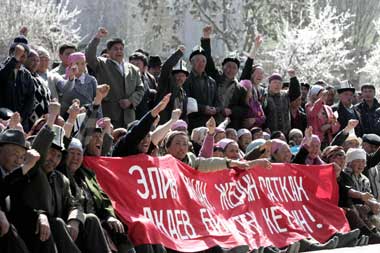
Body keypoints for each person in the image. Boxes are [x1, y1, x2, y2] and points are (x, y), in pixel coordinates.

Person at [85, 27, 145, 128]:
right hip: (109, 115)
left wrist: (130, 101)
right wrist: (97, 38)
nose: (119, 51)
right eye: (115, 49)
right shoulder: (102, 64)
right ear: (108, 51)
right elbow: (89, 56)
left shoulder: (133, 69)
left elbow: (140, 89)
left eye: (121, 49)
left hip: (128, 116)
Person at [183, 46, 222, 132]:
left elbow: (218, 102)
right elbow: (185, 101)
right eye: (197, 61)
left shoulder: (212, 81)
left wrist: (215, 109)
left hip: (210, 124)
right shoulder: (186, 80)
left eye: (203, 61)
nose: (201, 64)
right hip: (193, 123)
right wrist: (203, 109)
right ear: (191, 62)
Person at [0, 38, 35, 131]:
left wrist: (21, 117)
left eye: (23, 56)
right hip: (2, 120)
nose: (19, 59)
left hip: (21, 123)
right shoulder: (2, 68)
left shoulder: (26, 75)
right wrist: (14, 60)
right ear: (11, 54)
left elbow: (30, 99)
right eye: (17, 55)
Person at [56, 52, 98, 116]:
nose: (80, 66)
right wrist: (71, 78)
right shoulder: (62, 78)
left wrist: (88, 108)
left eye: (83, 64)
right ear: (70, 65)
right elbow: (65, 90)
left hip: (89, 115)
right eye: (77, 64)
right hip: (69, 116)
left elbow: (97, 99)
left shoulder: (91, 80)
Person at [155, 46, 188, 124]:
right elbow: (166, 67)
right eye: (178, 75)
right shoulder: (166, 85)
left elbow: (183, 114)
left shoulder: (183, 93)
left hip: (176, 127)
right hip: (163, 125)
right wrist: (178, 53)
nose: (180, 78)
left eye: (183, 75)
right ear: (173, 76)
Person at [262, 69, 301, 135]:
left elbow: (295, 92)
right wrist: (265, 127)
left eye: (279, 83)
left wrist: (293, 78)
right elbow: (262, 113)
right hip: (270, 133)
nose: (277, 85)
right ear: (269, 84)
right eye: (274, 82)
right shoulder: (264, 95)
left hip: (285, 133)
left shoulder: (285, 95)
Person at [24, 49, 51, 126]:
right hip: (27, 118)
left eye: (37, 60)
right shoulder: (23, 76)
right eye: (33, 60)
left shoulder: (38, 77)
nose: (36, 63)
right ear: (25, 59)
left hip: (42, 118)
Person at [129, 51, 157, 119]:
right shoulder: (124, 79)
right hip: (129, 116)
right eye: (132, 64)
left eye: (138, 64)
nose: (134, 67)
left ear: (144, 67)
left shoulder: (150, 79)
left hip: (144, 117)